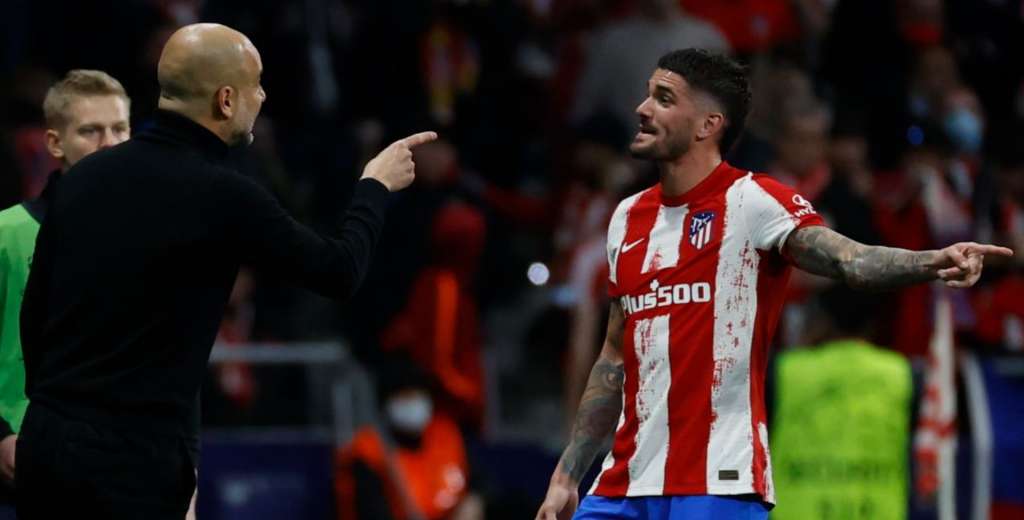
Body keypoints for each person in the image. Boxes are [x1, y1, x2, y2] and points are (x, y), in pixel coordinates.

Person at [534, 48, 1012, 520]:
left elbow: (850, 260)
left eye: (663, 98)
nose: (642, 109)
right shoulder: (627, 218)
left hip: (717, 483)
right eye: (647, 95)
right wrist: (566, 477)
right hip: (621, 485)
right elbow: (614, 358)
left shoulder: (752, 201)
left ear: (707, 125)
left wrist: (933, 260)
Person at [15, 23, 436, 518]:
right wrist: (374, 187)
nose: (263, 95)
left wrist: (57, 407)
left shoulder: (82, 178)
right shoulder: (224, 194)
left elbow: (33, 314)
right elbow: (339, 271)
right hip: (134, 459)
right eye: (256, 84)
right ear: (226, 99)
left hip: (46, 446)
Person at [0, 69, 130, 518]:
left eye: (120, 129)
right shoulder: (7, 233)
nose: (110, 144)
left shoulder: (151, 238)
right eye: (91, 131)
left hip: (122, 466)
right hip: (19, 460)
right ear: (55, 143)